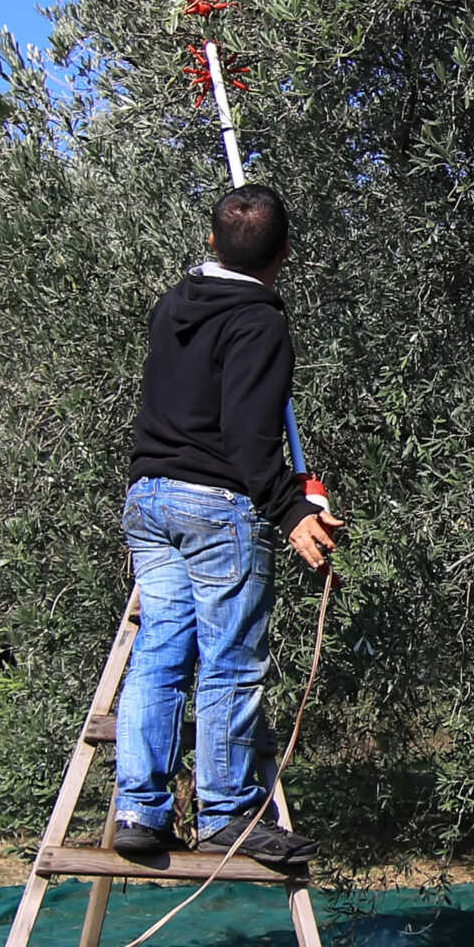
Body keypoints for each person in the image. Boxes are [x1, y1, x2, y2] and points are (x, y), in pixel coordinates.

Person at [112, 182, 345, 869]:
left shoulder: (173, 303)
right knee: (230, 664)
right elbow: (248, 439)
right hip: (216, 507)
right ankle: (222, 812)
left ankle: (139, 809)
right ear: (288, 255)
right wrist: (291, 507)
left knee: (160, 651)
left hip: (148, 500)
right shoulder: (260, 321)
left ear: (211, 240)